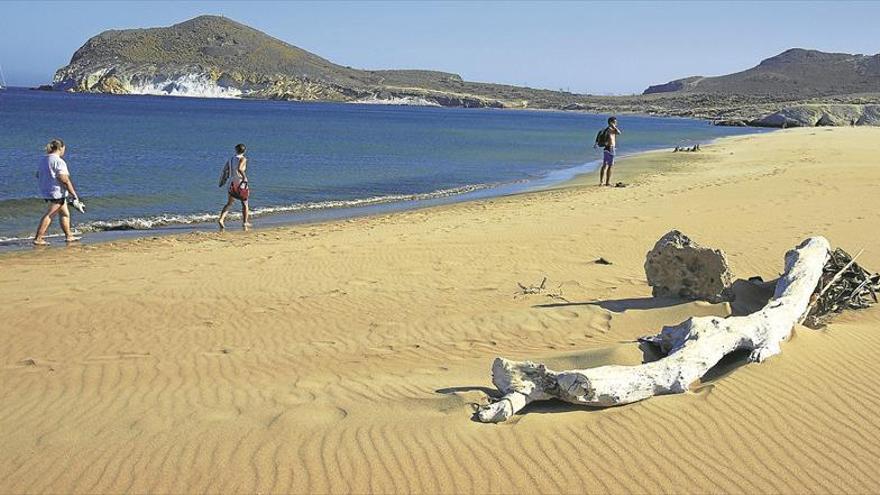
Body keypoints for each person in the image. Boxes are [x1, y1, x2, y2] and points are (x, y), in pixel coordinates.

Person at [33, 139, 85, 245]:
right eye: (64, 148)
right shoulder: (59, 161)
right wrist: (73, 194)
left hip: (48, 190)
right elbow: (64, 179)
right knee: (50, 215)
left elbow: (38, 175)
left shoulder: (44, 160)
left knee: (65, 213)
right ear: (61, 148)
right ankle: (38, 238)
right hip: (57, 192)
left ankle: (69, 236)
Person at [218, 143, 251, 230]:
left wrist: (223, 180)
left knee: (229, 203)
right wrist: (244, 177)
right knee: (245, 203)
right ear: (244, 151)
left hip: (231, 182)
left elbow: (225, 170)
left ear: (236, 150)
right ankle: (245, 222)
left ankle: (221, 219)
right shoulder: (243, 158)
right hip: (240, 182)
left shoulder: (231, 159)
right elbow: (240, 169)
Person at [594, 116, 622, 186]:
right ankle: (607, 182)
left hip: (607, 148)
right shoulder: (610, 129)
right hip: (610, 148)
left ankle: (601, 182)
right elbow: (619, 133)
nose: (616, 123)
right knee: (610, 166)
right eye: (615, 122)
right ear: (611, 122)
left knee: (604, 165)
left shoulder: (607, 129)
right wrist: (614, 126)